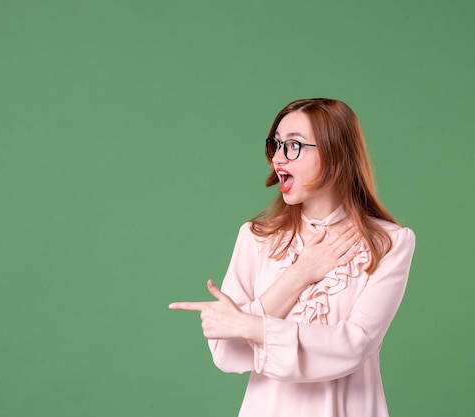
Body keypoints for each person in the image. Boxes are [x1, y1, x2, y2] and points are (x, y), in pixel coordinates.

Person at [169, 98, 415, 417]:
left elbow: (355, 345)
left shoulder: (390, 242)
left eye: (294, 145)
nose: (279, 158)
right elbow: (226, 353)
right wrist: (301, 273)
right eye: (277, 145)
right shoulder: (256, 237)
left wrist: (248, 325)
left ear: (336, 153)